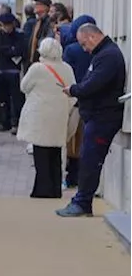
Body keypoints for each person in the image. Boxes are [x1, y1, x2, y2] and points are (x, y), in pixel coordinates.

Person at [58, 24, 128, 217]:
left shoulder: (108, 56)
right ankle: (81, 201)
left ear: (91, 37)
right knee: (88, 159)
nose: (84, 49)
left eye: (83, 44)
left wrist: (74, 90)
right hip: (97, 116)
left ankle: (82, 202)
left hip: (103, 117)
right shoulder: (103, 54)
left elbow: (94, 84)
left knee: (90, 160)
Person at [17, 38, 76, 198]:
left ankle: (42, 189)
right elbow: (73, 90)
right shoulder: (67, 68)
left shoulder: (37, 68)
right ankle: (55, 188)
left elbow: (24, 87)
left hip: (40, 114)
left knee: (41, 152)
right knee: (56, 152)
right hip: (59, 113)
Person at [61, 14, 96, 188]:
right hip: (93, 99)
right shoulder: (97, 49)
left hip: (75, 98)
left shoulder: (71, 50)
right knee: (87, 140)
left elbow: (67, 74)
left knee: (73, 140)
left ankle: (71, 176)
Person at [0, 13, 27, 131]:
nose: (7, 28)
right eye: (4, 25)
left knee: (16, 98)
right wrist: (10, 50)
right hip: (0, 70)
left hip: (13, 71)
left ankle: (16, 123)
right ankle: (4, 122)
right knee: (3, 98)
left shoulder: (19, 36)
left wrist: (8, 50)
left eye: (9, 25)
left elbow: (20, 51)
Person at [24, 0, 53, 67]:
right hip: (34, 60)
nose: (35, 6)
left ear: (45, 7)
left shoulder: (48, 22)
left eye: (38, 4)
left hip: (42, 60)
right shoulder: (38, 22)